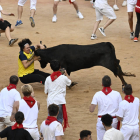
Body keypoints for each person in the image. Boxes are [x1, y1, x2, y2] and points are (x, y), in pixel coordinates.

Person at [89, 75, 122, 140]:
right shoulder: (117, 94)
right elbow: (121, 108)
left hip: (101, 121)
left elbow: (91, 110)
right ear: (111, 84)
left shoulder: (97, 94)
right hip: (113, 121)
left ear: (102, 84)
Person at [44, 60, 71, 131]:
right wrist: (66, 74)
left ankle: (50, 131)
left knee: (50, 117)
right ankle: (57, 131)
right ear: (60, 67)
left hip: (50, 101)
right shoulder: (63, 77)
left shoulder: (48, 79)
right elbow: (69, 83)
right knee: (59, 118)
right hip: (59, 101)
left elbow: (46, 92)